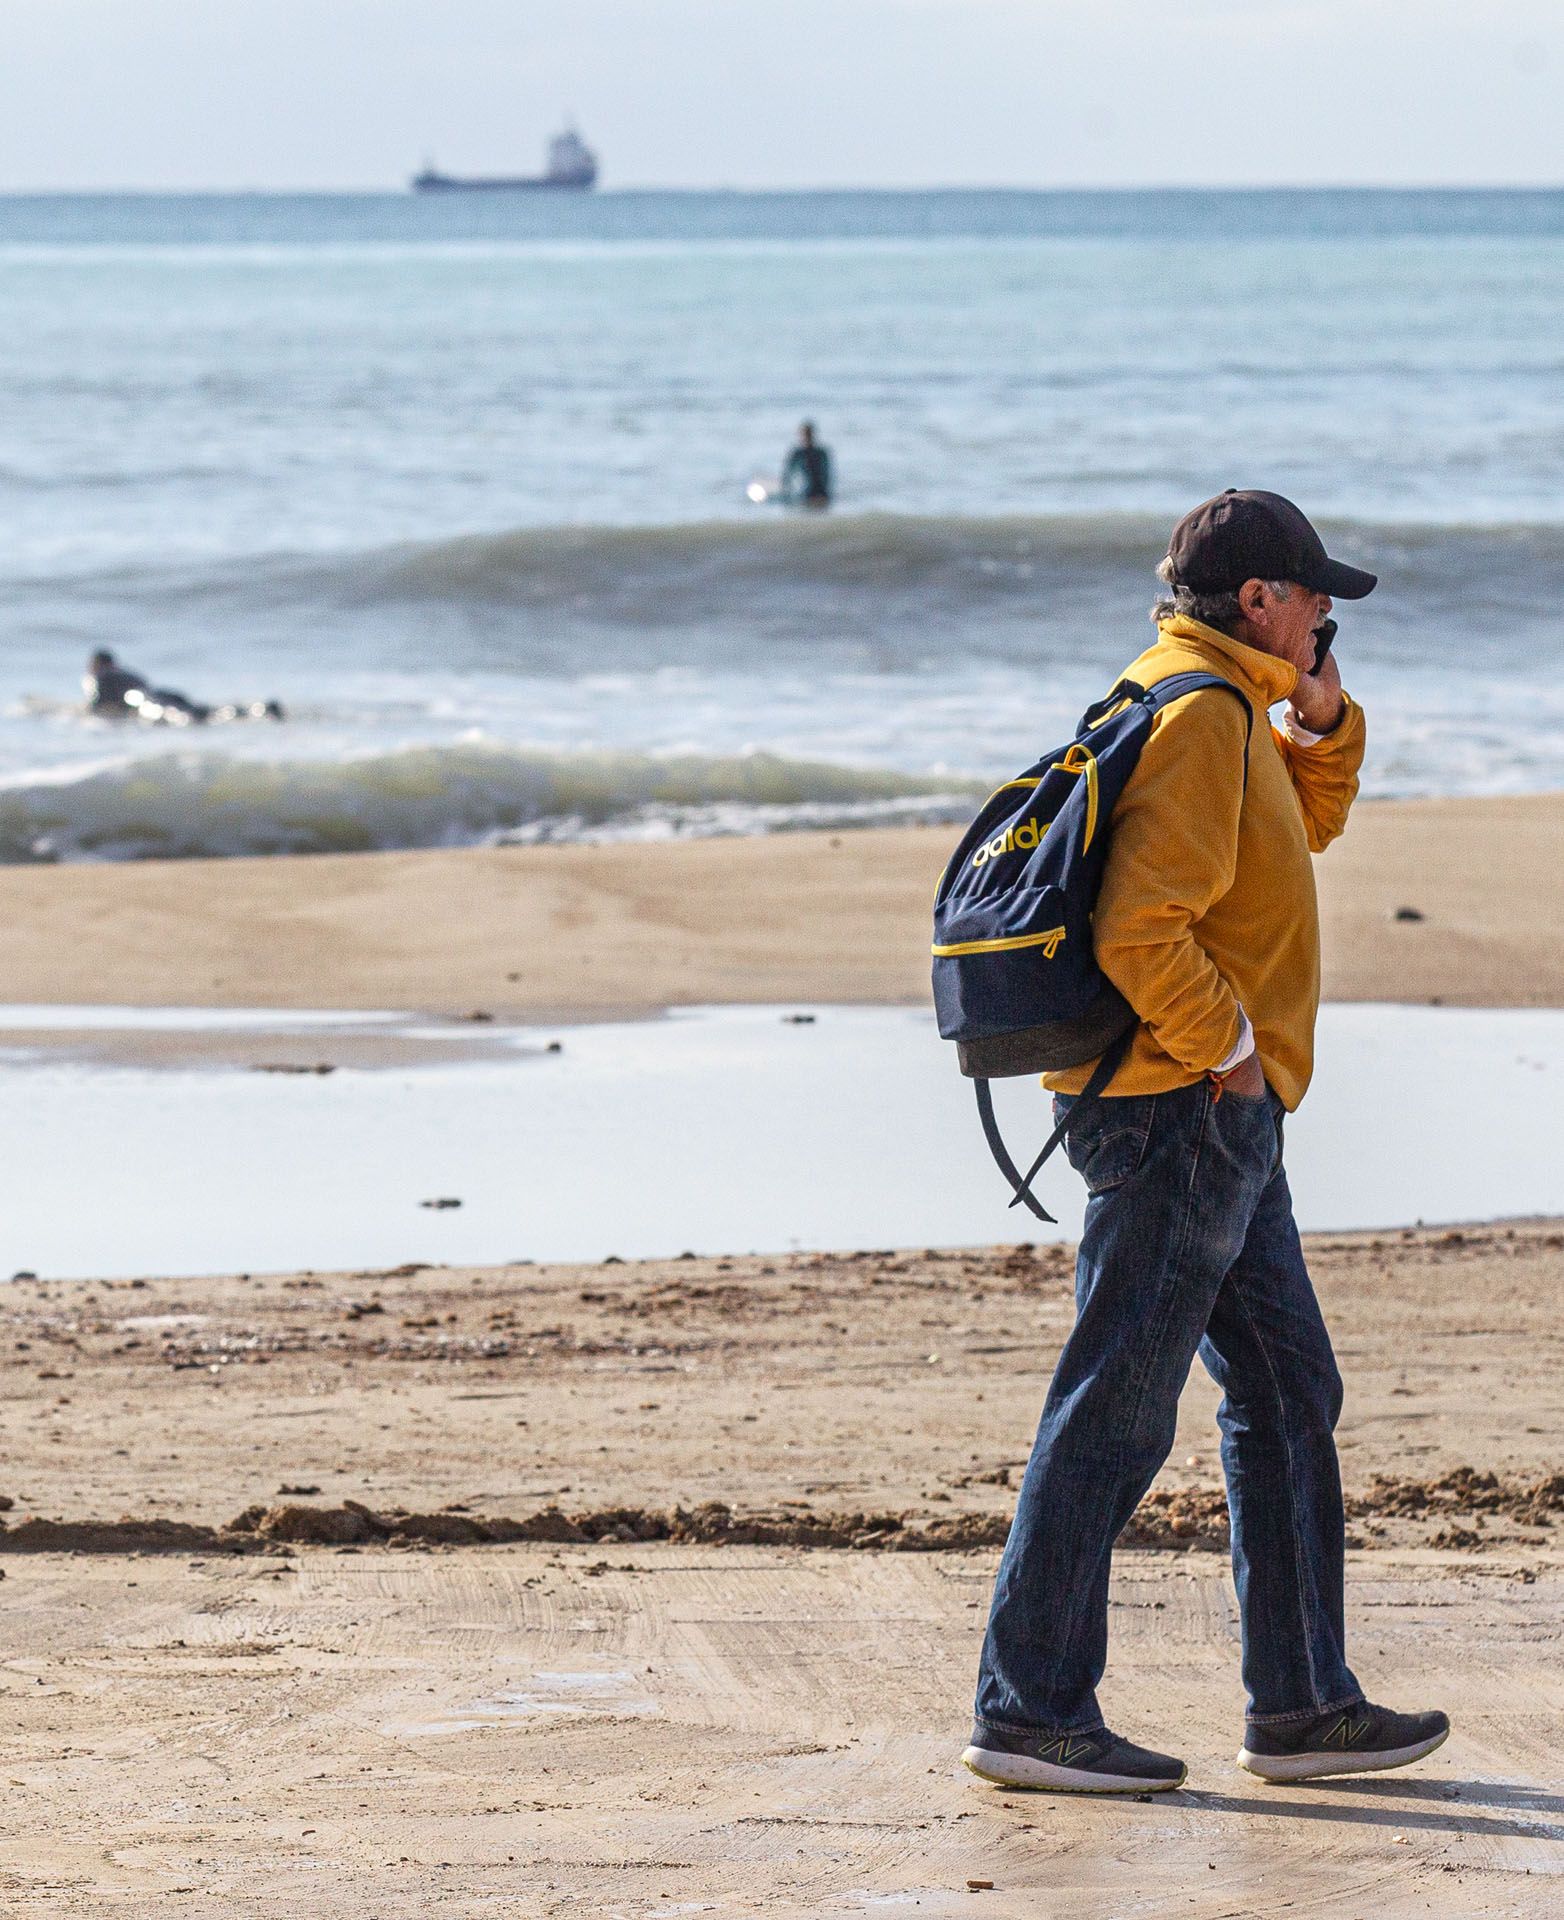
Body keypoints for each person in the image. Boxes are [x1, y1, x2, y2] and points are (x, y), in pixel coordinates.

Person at [963, 489, 1449, 1795]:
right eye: (1312, 595)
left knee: (1290, 1395)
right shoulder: (1192, 719)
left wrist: (1325, 724)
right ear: (1257, 602)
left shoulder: (1209, 700)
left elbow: (1295, 830)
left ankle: (1300, 1707)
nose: (1325, 614)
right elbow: (1140, 928)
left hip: (1217, 1113)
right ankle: (1029, 1708)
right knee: (1118, 1411)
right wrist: (1229, 1053)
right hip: (1184, 1111)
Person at [83, 649, 282, 725]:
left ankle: (258, 711)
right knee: (203, 711)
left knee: (187, 718)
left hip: (145, 702)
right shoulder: (128, 673)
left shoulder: (100, 677)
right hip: (162, 693)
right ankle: (258, 710)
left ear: (97, 664)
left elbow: (96, 705)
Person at [779, 420, 832, 507]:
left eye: (808, 434)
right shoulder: (798, 453)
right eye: (806, 434)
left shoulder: (820, 452)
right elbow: (787, 474)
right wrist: (786, 492)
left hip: (820, 490)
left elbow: (827, 474)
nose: (807, 437)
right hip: (808, 490)